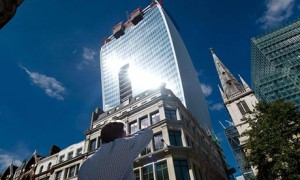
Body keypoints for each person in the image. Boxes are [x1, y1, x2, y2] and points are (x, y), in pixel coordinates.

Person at [78, 121, 153, 180]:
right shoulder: (122, 146)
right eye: (125, 134)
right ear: (121, 136)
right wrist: (128, 138)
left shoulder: (85, 164)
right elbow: (148, 132)